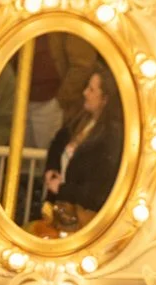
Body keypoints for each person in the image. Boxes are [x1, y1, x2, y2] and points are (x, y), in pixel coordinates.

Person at [42, 66, 124, 218]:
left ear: (105, 99)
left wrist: (62, 189)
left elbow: (97, 192)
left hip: (81, 217)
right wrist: (52, 167)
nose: (85, 92)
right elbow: (57, 144)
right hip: (60, 210)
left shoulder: (111, 137)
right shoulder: (80, 120)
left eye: (91, 90)